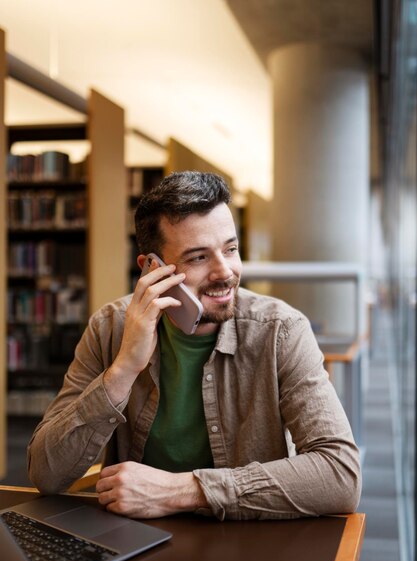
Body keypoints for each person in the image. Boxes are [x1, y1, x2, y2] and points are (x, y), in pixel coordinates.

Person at [28, 171, 361, 521]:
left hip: (247, 539)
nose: (225, 272)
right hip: (135, 540)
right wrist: (123, 369)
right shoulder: (110, 327)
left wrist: (184, 491)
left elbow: (341, 475)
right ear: (151, 269)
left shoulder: (281, 331)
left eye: (230, 249)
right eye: (198, 257)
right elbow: (47, 474)